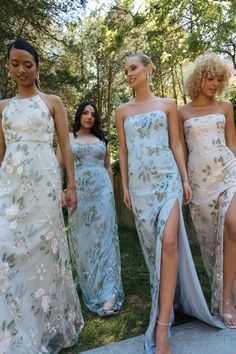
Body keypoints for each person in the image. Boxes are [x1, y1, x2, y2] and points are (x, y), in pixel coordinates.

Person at [116, 53, 223, 354]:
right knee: (155, 255)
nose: (129, 74)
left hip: (168, 181)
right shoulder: (122, 111)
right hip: (139, 187)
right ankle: (168, 302)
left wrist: (185, 181)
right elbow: (123, 153)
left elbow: (176, 143)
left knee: (170, 242)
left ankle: (163, 327)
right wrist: (125, 186)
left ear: (149, 69)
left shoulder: (167, 105)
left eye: (134, 68)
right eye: (126, 71)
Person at [0, 39, 84, 353]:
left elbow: (64, 146)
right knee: (6, 248)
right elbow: (1, 153)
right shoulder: (3, 107)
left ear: (37, 67)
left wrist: (70, 187)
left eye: (27, 64)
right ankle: (13, 325)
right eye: (14, 63)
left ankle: (44, 321)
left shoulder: (52, 102)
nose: (21, 70)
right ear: (8, 66)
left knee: (43, 252)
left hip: (45, 186)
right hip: (10, 189)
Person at [178, 53, 236, 329]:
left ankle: (226, 301)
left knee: (233, 225)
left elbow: (232, 145)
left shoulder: (225, 107)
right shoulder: (182, 113)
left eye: (220, 79)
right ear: (198, 78)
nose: (215, 83)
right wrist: (184, 182)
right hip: (199, 183)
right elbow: (182, 151)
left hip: (228, 173)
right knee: (212, 245)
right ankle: (228, 293)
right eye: (210, 77)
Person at [57, 102, 124, 316]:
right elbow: (59, 166)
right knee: (84, 239)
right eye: (85, 113)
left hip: (102, 192)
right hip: (80, 193)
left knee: (105, 239)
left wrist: (111, 192)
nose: (89, 117)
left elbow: (107, 166)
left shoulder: (103, 140)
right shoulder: (68, 138)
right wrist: (61, 190)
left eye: (93, 114)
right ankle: (89, 280)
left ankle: (109, 291)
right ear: (79, 115)